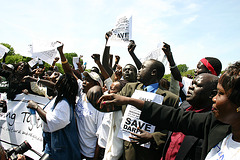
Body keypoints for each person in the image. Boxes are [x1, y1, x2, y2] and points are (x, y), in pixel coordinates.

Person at [98, 61, 240, 160]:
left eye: (220, 94)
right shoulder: (212, 121)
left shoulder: (172, 99)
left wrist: (154, 137)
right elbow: (174, 117)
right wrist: (129, 100)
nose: (214, 99)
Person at [101, 59, 179, 160]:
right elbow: (111, 105)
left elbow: (172, 130)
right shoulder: (130, 88)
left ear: (153, 72)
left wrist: (153, 137)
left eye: (142, 67)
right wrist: (97, 97)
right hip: (128, 150)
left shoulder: (170, 99)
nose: (139, 70)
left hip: (150, 154)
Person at [57, 43, 104, 160]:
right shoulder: (82, 92)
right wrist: (61, 53)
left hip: (90, 154)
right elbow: (69, 72)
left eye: (88, 80)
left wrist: (95, 158)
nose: (83, 82)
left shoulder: (100, 106)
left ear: (97, 84)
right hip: (75, 149)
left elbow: (101, 137)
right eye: (84, 79)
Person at [162, 73, 218, 160]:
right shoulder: (183, 107)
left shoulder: (212, 122)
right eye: (192, 83)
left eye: (197, 85)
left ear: (212, 94)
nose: (191, 87)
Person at [26, 73, 81, 160]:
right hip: (52, 143)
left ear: (62, 85)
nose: (56, 82)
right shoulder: (60, 97)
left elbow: (54, 121)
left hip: (60, 148)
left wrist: (36, 107)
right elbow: (52, 86)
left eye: (58, 81)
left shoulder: (64, 104)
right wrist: (34, 80)